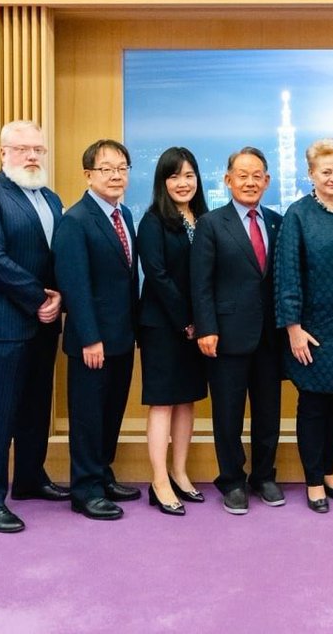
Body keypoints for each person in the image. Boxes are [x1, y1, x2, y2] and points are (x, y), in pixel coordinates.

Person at [0, 120, 66, 533]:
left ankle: (29, 478)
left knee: (36, 409)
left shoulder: (52, 199)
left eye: (38, 149)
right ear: (2, 151)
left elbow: (59, 256)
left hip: (42, 325)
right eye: (22, 149)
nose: (31, 156)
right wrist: (40, 298)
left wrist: (60, 297)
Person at [275, 139, 333, 514]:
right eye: (325, 171)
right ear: (311, 174)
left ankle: (329, 470)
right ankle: (313, 479)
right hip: (311, 330)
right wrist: (293, 328)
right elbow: (287, 275)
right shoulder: (298, 214)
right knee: (313, 404)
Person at [191, 146, 285, 515]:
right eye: (241, 175)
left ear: (267, 180)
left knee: (268, 411)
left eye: (256, 175)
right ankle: (231, 480)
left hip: (269, 336)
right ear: (228, 180)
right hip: (226, 335)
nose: (250, 181)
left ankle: (264, 475)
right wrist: (206, 328)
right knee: (228, 413)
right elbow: (201, 283)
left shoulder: (277, 222)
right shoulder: (212, 224)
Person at [53, 139, 142, 521]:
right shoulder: (75, 220)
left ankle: (103, 473)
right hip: (92, 340)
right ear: (88, 174)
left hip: (121, 336)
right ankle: (84, 489)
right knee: (89, 416)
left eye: (122, 167)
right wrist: (90, 337)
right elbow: (75, 285)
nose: (115, 175)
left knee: (111, 411)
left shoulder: (125, 216)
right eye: (106, 168)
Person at [137, 146, 210, 516]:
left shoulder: (204, 218)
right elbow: (158, 277)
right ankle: (159, 480)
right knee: (163, 401)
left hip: (196, 328)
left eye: (189, 175)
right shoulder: (152, 221)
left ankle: (180, 473)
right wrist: (187, 321)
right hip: (163, 326)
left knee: (187, 399)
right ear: (162, 182)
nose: (183, 183)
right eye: (174, 176)